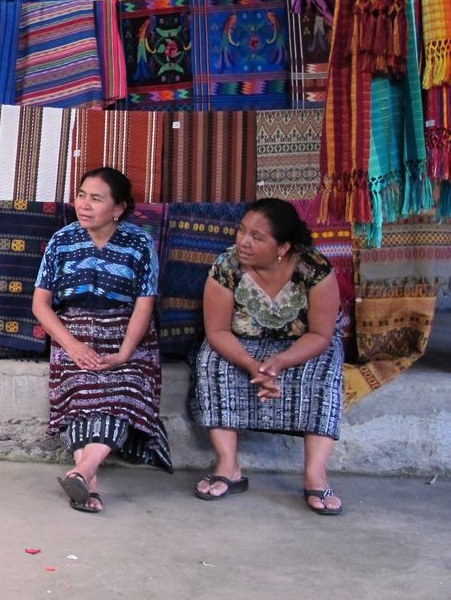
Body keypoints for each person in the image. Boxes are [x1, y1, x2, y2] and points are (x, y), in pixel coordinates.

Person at [190, 198, 344, 515]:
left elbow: (321, 334)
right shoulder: (226, 267)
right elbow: (217, 331)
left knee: (326, 364)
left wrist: (280, 362)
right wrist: (251, 365)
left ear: (283, 247)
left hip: (301, 346)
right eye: (242, 231)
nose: (243, 241)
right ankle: (228, 465)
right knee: (210, 361)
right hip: (240, 344)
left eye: (257, 237)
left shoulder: (314, 269)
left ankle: (316, 475)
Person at [33, 167, 172, 513]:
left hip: (127, 331)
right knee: (81, 389)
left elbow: (145, 302)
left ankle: (83, 474)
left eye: (96, 198)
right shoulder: (61, 241)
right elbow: (41, 304)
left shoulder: (138, 242)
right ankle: (86, 478)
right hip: (73, 331)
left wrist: (125, 352)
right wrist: (72, 346)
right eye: (81, 195)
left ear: (118, 208)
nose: (84, 204)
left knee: (124, 390)